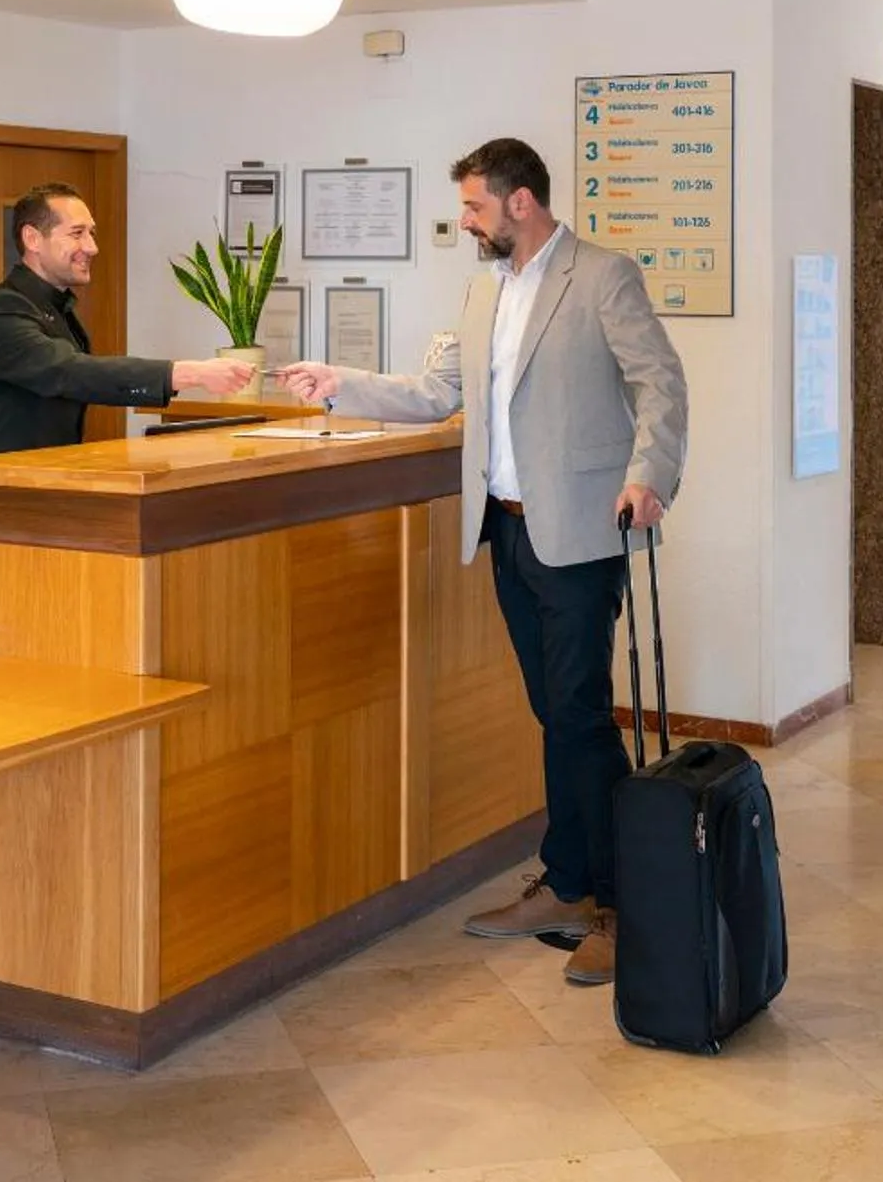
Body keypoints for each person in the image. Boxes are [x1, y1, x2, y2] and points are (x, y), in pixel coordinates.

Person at [280, 137, 687, 988]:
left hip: (580, 530)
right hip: (504, 531)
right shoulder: (480, 291)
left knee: (577, 716)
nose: (464, 221)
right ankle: (569, 881)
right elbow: (436, 395)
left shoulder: (602, 276)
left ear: (520, 202)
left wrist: (648, 475)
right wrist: (338, 382)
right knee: (554, 713)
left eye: (472, 206)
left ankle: (619, 904)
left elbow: (659, 384)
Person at [0, 184, 256, 456]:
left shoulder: (56, 307)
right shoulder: (3, 310)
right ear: (32, 238)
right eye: (77, 233)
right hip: (2, 499)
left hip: (48, 490)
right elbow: (69, 371)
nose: (91, 247)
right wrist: (186, 373)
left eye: (91, 233)